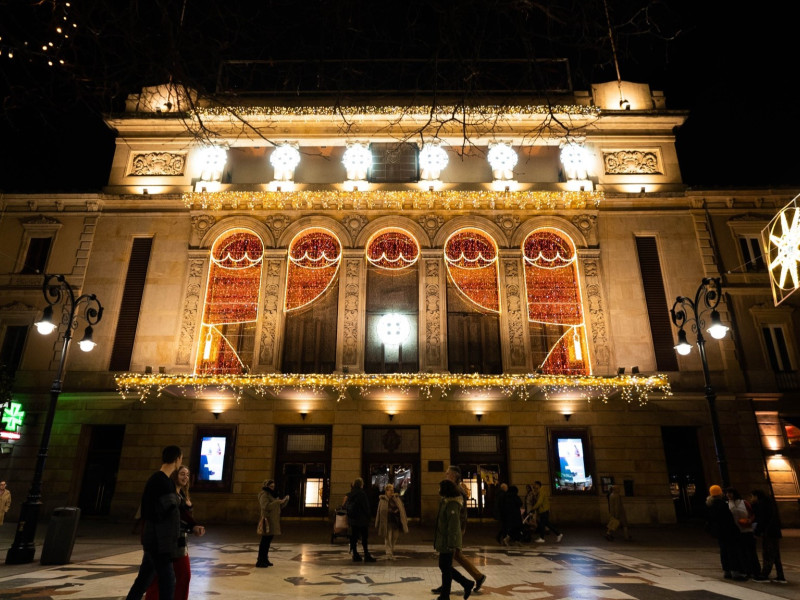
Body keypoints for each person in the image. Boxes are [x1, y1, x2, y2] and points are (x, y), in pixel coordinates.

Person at [125, 445, 183, 600]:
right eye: (181, 458)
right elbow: (168, 511)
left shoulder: (158, 480)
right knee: (168, 581)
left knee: (144, 579)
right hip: (159, 541)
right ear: (177, 459)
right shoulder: (162, 482)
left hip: (154, 539)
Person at [145, 465, 206, 600]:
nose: (185, 477)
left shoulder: (182, 495)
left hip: (179, 542)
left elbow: (184, 517)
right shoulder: (171, 494)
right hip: (167, 542)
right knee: (159, 577)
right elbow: (174, 518)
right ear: (175, 476)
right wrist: (193, 527)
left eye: (188, 475)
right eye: (182, 474)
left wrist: (190, 514)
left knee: (183, 575)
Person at [432, 466, 486, 593]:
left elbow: (460, 512)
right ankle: (451, 583)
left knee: (448, 559)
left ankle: (475, 578)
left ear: (453, 476)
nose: (445, 475)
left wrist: (459, 529)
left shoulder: (458, 490)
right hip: (452, 528)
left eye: (447, 474)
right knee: (452, 558)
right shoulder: (451, 488)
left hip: (455, 527)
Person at [433, 479, 474, 600]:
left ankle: (447, 594)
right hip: (444, 539)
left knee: (445, 567)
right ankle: (465, 584)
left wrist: (451, 543)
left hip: (448, 541)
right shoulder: (445, 502)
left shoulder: (452, 504)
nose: (438, 490)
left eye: (440, 488)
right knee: (445, 567)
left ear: (445, 489)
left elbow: (453, 525)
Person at [705, 484, 745, 580]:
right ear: (720, 493)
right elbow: (728, 519)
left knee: (723, 551)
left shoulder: (709, 504)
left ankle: (726, 571)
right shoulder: (722, 504)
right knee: (731, 551)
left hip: (718, 532)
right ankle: (735, 572)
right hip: (727, 531)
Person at [749, 489, 787, 584]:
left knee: (768, 554)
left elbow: (762, 520)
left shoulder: (762, 505)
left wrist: (758, 532)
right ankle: (780, 576)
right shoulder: (769, 503)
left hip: (769, 532)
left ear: (756, 496)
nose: (751, 498)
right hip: (774, 532)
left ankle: (764, 575)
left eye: (752, 496)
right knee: (775, 555)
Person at [726, 487, 762, 580]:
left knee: (751, 551)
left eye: (730, 493)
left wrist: (750, 521)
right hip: (736, 531)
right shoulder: (727, 504)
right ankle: (746, 570)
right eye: (727, 493)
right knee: (741, 552)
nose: (728, 495)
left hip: (747, 529)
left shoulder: (744, 502)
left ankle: (756, 571)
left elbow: (752, 514)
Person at [256, 479, 290, 567]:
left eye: (273, 486)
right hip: (267, 520)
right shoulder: (264, 494)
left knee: (268, 541)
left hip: (273, 520)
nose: (272, 488)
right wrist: (277, 501)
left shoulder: (273, 494)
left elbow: (278, 506)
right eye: (271, 486)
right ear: (266, 486)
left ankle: (265, 559)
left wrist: (284, 501)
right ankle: (260, 560)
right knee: (265, 541)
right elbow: (265, 506)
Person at [345, 477, 375, 562]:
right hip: (362, 520)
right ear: (361, 484)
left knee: (354, 537)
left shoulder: (351, 493)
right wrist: (369, 517)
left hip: (353, 520)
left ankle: (355, 554)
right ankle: (366, 554)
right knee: (364, 538)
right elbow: (366, 507)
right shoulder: (362, 494)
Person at [375, 483, 408, 559]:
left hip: (395, 521)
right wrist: (377, 522)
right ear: (386, 491)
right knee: (388, 537)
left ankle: (391, 550)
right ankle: (388, 552)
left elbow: (402, 509)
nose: (391, 492)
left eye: (392, 490)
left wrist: (403, 518)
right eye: (390, 490)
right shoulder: (382, 500)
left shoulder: (396, 499)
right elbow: (379, 511)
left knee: (395, 536)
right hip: (387, 521)